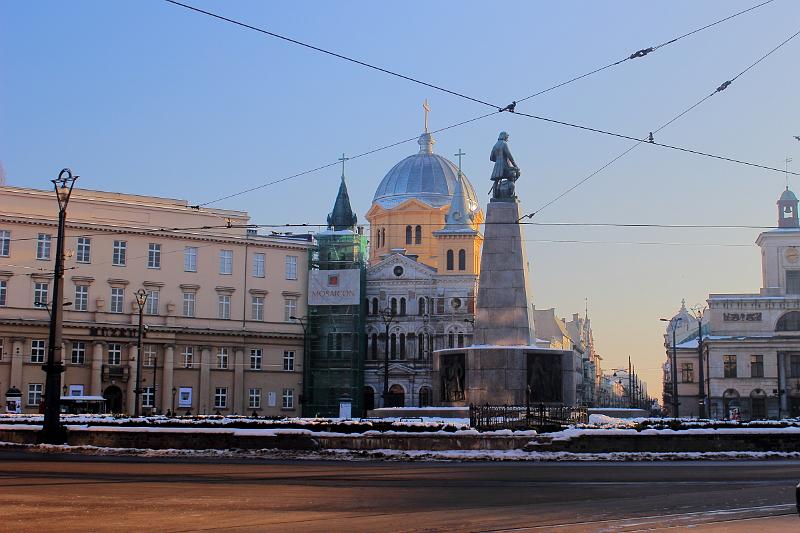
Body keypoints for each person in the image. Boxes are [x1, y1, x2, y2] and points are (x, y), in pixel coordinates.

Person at [489, 131, 520, 198]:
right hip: (505, 166)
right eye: (507, 137)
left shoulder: (495, 145)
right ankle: (511, 194)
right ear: (504, 137)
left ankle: (495, 196)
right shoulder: (504, 144)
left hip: (497, 167)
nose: (507, 139)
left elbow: (491, 158)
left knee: (496, 181)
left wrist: (497, 160)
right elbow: (509, 155)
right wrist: (515, 165)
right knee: (513, 176)